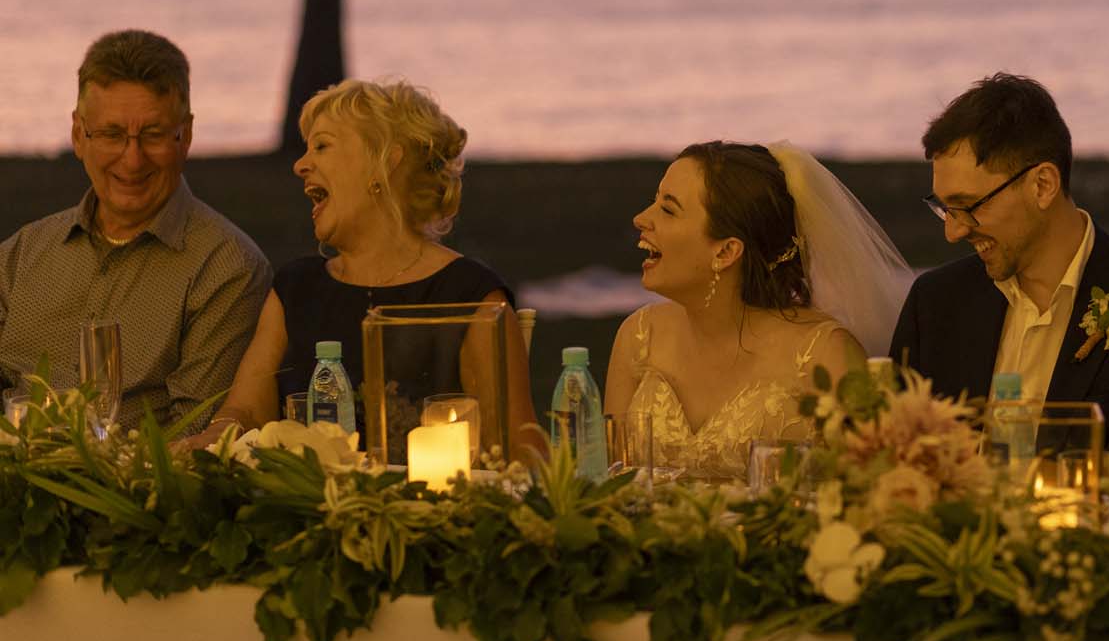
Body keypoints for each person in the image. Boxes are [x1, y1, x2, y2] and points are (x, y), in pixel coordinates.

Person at [892, 73, 1109, 505]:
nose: (952, 232)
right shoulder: (935, 305)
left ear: (1042, 184)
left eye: (967, 206)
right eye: (944, 208)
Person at [192, 79, 538, 458]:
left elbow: (518, 448)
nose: (300, 165)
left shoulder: (471, 297)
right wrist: (199, 446)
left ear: (385, 161)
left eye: (322, 146)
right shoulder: (295, 288)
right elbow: (244, 412)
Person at [0, 30, 271, 430]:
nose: (132, 160)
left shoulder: (227, 268)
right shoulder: (21, 255)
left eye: (153, 134)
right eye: (111, 134)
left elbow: (194, 446)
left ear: (186, 135)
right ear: (78, 134)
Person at [603, 140, 912, 480]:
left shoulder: (826, 354)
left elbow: (869, 491)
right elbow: (612, 481)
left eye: (668, 209)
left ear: (726, 251)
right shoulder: (639, 336)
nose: (640, 218)